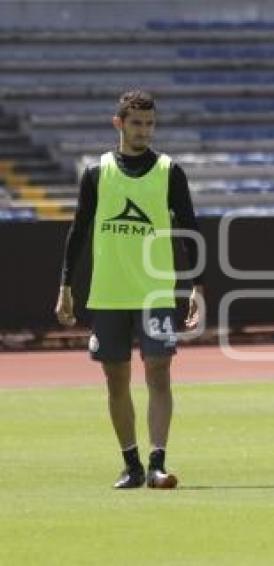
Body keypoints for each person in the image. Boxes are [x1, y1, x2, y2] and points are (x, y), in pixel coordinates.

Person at [55, 90, 204, 489]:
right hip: (108, 293)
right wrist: (65, 286)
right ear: (118, 123)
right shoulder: (96, 172)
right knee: (115, 379)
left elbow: (189, 229)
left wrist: (198, 287)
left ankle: (157, 462)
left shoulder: (169, 170)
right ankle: (131, 464)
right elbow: (78, 231)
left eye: (150, 123)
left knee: (159, 372)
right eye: (137, 123)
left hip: (156, 292)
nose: (145, 131)